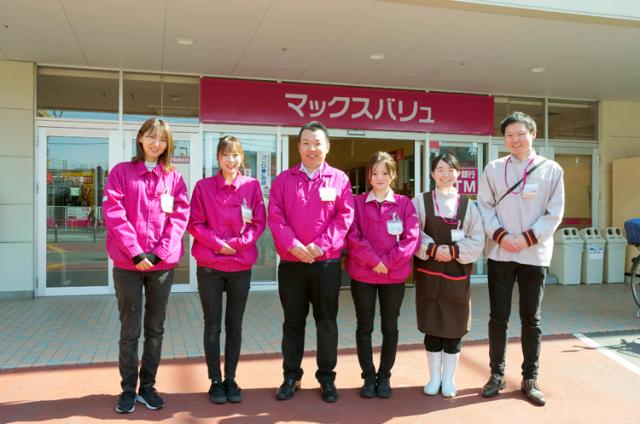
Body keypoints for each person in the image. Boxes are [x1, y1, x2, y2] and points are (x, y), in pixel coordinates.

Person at [477, 111, 564, 406]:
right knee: (498, 317)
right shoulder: (493, 168)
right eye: (509, 135)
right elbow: (484, 207)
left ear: (533, 134)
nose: (514, 140)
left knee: (532, 319)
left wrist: (526, 238)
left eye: (520, 134)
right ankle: (496, 375)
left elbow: (555, 212)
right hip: (500, 253)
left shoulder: (551, 170)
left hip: (534, 255)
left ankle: (530, 377)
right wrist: (502, 236)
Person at [103, 118, 190, 414]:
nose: (156, 143)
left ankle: (148, 387)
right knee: (130, 329)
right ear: (140, 139)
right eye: (151, 136)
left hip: (161, 265)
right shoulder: (121, 173)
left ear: (168, 144)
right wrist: (137, 251)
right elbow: (114, 213)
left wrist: (158, 253)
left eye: (162, 139)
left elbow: (180, 217)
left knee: (155, 328)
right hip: (128, 263)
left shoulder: (174, 178)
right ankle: (128, 389)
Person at [268, 121, 354, 403]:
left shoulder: (339, 179)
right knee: (293, 323)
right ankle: (291, 375)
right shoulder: (284, 179)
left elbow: (344, 218)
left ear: (327, 147)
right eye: (306, 143)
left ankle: (327, 378)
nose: (312, 148)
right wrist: (293, 245)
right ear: (299, 147)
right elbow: (276, 217)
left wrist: (320, 246)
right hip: (292, 264)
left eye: (317, 143)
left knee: (326, 322)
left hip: (325, 263)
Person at [188, 136, 266, 404]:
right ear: (218, 158)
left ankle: (231, 378)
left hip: (240, 265)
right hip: (210, 266)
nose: (231, 160)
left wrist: (237, 244)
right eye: (226, 155)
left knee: (235, 325)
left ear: (241, 157)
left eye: (235, 155)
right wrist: (219, 244)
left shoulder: (252, 187)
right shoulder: (203, 187)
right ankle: (215, 380)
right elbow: (195, 223)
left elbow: (258, 222)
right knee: (212, 325)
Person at [345, 151, 419, 399]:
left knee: (390, 326)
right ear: (369, 175)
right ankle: (368, 376)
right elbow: (352, 235)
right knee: (364, 327)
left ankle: (384, 376)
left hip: (393, 276)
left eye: (384, 173)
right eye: (375, 173)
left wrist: (386, 263)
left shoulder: (404, 204)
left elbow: (411, 238)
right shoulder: (356, 203)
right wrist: (373, 261)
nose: (379, 177)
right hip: (363, 275)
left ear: (393, 175)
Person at [412, 153, 484, 398]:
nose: (445, 175)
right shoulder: (420, 201)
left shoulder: (469, 205)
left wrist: (453, 251)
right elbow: (413, 233)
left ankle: (449, 380)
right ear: (432, 173)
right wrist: (433, 249)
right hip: (429, 274)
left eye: (450, 170)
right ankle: (433, 378)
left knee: (454, 328)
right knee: (432, 327)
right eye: (440, 170)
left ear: (458, 174)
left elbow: (477, 239)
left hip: (456, 276)